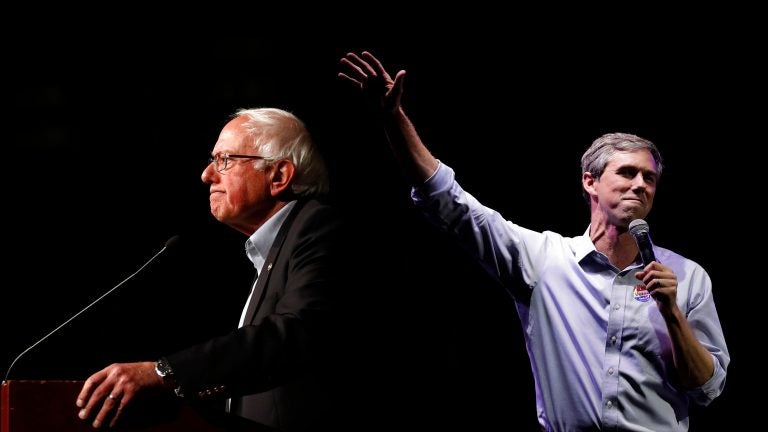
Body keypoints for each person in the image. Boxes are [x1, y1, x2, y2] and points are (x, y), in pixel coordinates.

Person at [338, 51, 729, 431]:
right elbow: (452, 205)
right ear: (589, 182)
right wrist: (394, 121)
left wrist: (672, 314)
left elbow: (708, 389)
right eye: (627, 173)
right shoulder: (545, 261)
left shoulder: (687, 277)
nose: (640, 185)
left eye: (650, 179)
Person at [75, 107, 343, 431]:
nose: (207, 174)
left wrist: (165, 373)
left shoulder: (317, 226)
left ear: (279, 176)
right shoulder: (274, 250)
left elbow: (294, 335)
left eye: (225, 160)